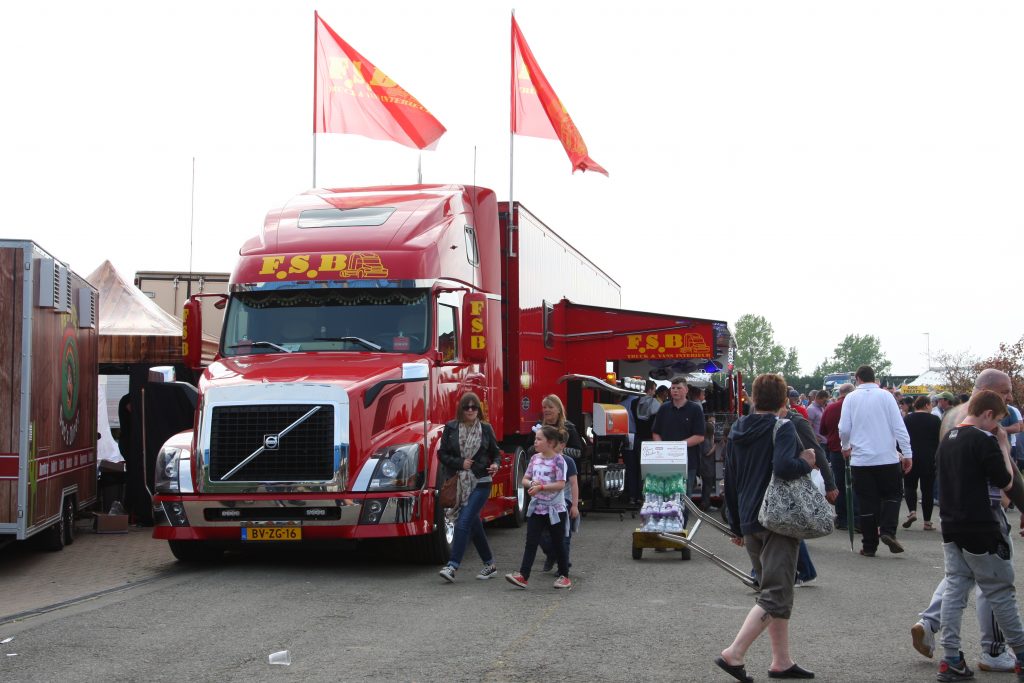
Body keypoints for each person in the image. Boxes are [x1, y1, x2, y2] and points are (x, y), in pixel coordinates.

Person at [912, 369, 1023, 673]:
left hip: (952, 521)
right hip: (983, 521)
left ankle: (949, 655)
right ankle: (1005, 651)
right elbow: (1005, 478)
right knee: (998, 588)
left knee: (956, 586)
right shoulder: (985, 437)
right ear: (988, 408)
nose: (1010, 398)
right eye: (1005, 393)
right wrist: (1001, 442)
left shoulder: (950, 432)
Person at [717, 373, 816, 682]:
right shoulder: (782, 427)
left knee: (771, 588)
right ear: (784, 400)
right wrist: (807, 462)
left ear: (753, 398)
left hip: (748, 518)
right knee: (776, 593)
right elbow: (785, 467)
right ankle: (733, 654)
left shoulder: (736, 431)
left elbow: (729, 480)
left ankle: (781, 661)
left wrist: (735, 524)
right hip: (778, 519)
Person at [838, 365, 913, 557]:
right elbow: (899, 427)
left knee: (866, 502)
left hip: (862, 460)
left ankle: (869, 545)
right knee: (892, 496)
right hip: (886, 457)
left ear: (857, 378)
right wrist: (907, 453)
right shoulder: (886, 396)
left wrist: (845, 446)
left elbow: (844, 428)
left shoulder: (850, 398)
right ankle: (888, 530)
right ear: (874, 378)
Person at [436, 392, 501, 583]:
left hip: (481, 482)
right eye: (467, 407)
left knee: (463, 522)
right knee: (474, 524)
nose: (471, 410)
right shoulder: (451, 427)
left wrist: (496, 465)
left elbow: (495, 453)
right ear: (461, 410)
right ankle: (489, 564)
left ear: (479, 410)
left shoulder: (486, 429)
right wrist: (459, 463)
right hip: (460, 483)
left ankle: (452, 566)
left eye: (474, 407)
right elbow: (442, 455)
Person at [505, 425, 571, 590]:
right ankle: (523, 576)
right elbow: (525, 479)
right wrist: (531, 483)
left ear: (550, 442)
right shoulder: (534, 458)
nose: (535, 442)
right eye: (536, 438)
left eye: (539, 439)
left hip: (556, 510)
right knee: (531, 542)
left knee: (558, 543)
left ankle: (564, 576)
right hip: (537, 508)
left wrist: (541, 487)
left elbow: (561, 484)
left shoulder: (559, 460)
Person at [652, 376, 706, 525]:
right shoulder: (664, 408)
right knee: (664, 496)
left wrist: (678, 446)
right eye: (673, 388)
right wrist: (661, 448)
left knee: (683, 498)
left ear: (686, 390)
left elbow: (700, 436)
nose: (675, 391)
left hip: (688, 462)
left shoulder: (695, 409)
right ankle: (664, 532)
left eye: (678, 388)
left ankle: (681, 533)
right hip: (665, 461)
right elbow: (656, 432)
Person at [539, 429, 580, 572]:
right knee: (541, 535)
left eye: (554, 442)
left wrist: (574, 505)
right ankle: (552, 554)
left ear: (562, 445)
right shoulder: (542, 459)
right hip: (545, 501)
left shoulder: (568, 461)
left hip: (564, 501)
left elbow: (574, 484)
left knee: (564, 534)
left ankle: (564, 564)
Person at [819, 383, 858, 530]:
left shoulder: (830, 408)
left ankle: (842, 519)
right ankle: (857, 518)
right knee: (856, 484)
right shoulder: (856, 408)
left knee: (840, 485)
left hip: (836, 450)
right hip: (855, 451)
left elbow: (822, 430)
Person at [902, 395, 941, 531]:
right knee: (927, 490)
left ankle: (912, 511)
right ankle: (927, 522)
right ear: (926, 405)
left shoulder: (908, 419)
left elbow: (902, 437)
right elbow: (940, 440)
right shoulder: (935, 420)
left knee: (909, 486)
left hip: (911, 456)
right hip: (929, 458)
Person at [627, 380, 660, 503]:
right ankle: (644, 496)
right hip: (650, 440)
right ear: (650, 389)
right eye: (654, 389)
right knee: (647, 470)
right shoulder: (655, 403)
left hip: (637, 438)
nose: (655, 392)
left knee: (634, 468)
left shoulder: (634, 402)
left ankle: (632, 496)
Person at [536, 394, 583, 460]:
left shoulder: (568, 427)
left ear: (559, 410)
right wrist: (540, 447)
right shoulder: (538, 426)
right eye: (544, 407)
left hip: (563, 467)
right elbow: (528, 449)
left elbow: (578, 452)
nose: (546, 410)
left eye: (550, 407)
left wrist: (559, 449)